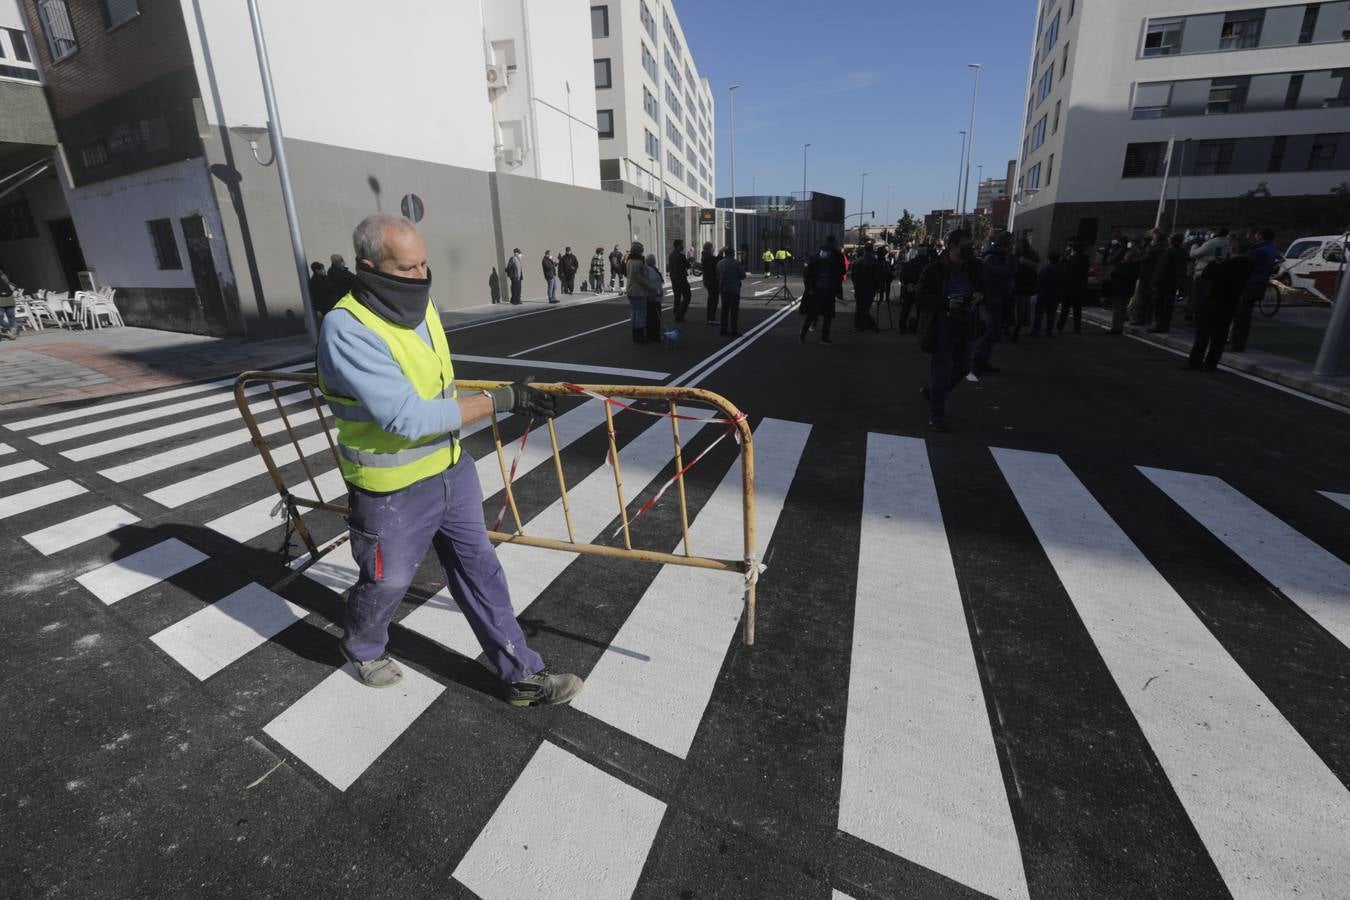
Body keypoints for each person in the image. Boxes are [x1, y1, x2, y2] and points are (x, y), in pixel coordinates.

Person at [314, 213, 581, 705]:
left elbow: (438, 387)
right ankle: (363, 646)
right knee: (388, 580)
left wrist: (482, 412)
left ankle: (521, 673)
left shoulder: (421, 305)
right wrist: (501, 401)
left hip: (450, 471)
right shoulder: (346, 328)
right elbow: (405, 418)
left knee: (480, 569)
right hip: (390, 488)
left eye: (425, 265)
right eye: (408, 268)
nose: (422, 277)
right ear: (369, 267)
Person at [916, 229, 985, 432]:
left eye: (971, 246)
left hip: (967, 325)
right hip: (942, 326)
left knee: (963, 368)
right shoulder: (934, 270)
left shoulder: (975, 268)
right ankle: (937, 413)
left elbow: (986, 288)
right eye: (965, 246)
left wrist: (980, 296)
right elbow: (921, 297)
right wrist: (946, 303)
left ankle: (933, 393)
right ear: (952, 247)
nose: (969, 250)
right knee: (942, 370)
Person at [1187, 237, 1254, 370]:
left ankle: (1195, 361)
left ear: (1234, 249)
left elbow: (1206, 275)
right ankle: (1211, 363)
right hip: (1231, 301)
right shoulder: (1248, 265)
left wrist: (1214, 262)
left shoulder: (1225, 264)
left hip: (1214, 300)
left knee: (1203, 333)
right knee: (1220, 335)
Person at [1229, 228, 1280, 352]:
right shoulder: (1270, 249)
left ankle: (1237, 344)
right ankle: (1237, 343)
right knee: (1244, 316)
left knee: (1241, 317)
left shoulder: (1259, 251)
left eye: (1257, 234)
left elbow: (1244, 265)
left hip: (1250, 284)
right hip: (1259, 283)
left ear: (1261, 236)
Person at [973, 232, 1016, 372]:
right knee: (993, 330)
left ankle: (983, 359)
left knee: (995, 330)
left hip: (999, 297)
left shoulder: (998, 257)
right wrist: (1010, 257)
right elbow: (1006, 272)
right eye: (1010, 244)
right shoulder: (992, 258)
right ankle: (977, 356)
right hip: (993, 298)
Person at [799, 235, 844, 344]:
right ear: (834, 243)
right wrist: (838, 291)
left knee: (812, 313)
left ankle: (803, 333)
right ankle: (824, 337)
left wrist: (809, 288)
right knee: (827, 315)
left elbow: (808, 273)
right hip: (829, 288)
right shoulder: (837, 255)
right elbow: (841, 272)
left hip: (816, 289)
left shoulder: (818, 254)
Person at [1188, 227, 1230, 321]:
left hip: (1203, 271)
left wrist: (1194, 245)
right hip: (1218, 272)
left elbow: (1194, 254)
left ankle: (1197, 318)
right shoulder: (1228, 243)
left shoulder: (1211, 243)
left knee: (1199, 297)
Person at [1149, 233, 1189, 333]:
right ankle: (1165, 325)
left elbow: (1163, 268)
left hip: (1165, 281)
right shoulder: (1183, 252)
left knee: (1161, 305)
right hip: (1175, 281)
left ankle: (1159, 325)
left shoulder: (1169, 251)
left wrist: (1156, 282)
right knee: (1168, 305)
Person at [625, 241, 661, 342]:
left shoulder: (629, 261)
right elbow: (641, 279)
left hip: (630, 290)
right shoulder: (639, 262)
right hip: (638, 291)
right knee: (641, 314)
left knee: (634, 313)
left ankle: (635, 335)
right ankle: (640, 336)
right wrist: (653, 288)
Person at [1032, 250, 1068, 338]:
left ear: (1049, 259)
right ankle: (1049, 331)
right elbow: (1064, 283)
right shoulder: (1062, 269)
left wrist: (1036, 291)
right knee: (1051, 314)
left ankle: (1036, 331)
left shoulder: (1046, 269)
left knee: (1039, 314)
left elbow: (1040, 281)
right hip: (1055, 294)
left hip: (1044, 294)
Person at [1011, 238, 1040, 343]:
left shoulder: (1017, 257)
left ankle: (1015, 331)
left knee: (1018, 310)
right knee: (1023, 310)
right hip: (1028, 287)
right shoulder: (1032, 256)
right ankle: (1017, 330)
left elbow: (1013, 271)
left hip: (1019, 287)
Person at [1057, 242, 1089, 334]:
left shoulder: (1072, 259)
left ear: (1074, 249)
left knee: (1065, 308)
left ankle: (1060, 326)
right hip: (1079, 286)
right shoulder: (1085, 259)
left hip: (1069, 286)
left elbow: (1064, 270)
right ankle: (1077, 328)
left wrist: (1065, 258)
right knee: (1077, 309)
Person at [716, 244, 746, 337]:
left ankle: (723, 329)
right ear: (732, 254)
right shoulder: (736, 263)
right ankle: (734, 330)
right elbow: (742, 275)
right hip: (734, 289)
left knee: (724, 310)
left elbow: (717, 275)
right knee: (734, 311)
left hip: (723, 289)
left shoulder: (720, 263)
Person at [897, 247, 929, 333]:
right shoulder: (927, 264)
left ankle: (902, 327)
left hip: (909, 288)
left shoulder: (909, 263)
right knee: (920, 310)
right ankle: (919, 328)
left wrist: (907, 284)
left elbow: (902, 275)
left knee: (906, 309)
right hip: (921, 289)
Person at [850, 244, 880, 332]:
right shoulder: (874, 261)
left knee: (860, 307)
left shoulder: (857, 261)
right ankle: (870, 325)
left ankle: (859, 325)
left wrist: (855, 284)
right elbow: (877, 276)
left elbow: (853, 276)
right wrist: (877, 287)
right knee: (865, 307)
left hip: (859, 287)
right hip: (869, 287)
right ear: (872, 251)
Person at [668, 238, 692, 322]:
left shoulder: (671, 255)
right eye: (682, 244)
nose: (683, 246)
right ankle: (680, 314)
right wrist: (689, 261)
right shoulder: (681, 256)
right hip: (681, 278)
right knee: (687, 296)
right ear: (678, 246)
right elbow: (688, 266)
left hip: (674, 278)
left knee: (677, 296)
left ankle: (676, 313)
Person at [701, 241, 720, 324]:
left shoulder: (705, 256)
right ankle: (711, 318)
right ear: (709, 249)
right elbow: (716, 261)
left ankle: (710, 317)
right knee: (713, 299)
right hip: (711, 281)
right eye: (712, 247)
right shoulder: (707, 257)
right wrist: (720, 253)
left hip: (708, 280)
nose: (713, 249)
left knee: (711, 299)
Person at [0, 269, 17, 339]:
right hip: (10, 299)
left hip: (1, 300)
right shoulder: (5, 277)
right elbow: (13, 286)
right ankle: (13, 332)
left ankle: (10, 330)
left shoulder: (4, 277)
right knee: (11, 318)